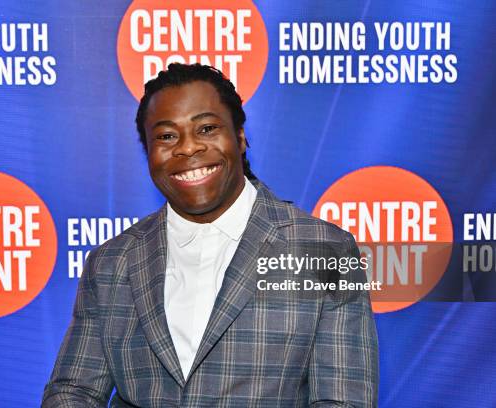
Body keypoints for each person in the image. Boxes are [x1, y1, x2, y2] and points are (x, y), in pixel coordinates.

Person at [42, 63, 378, 407]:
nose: (187, 148)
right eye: (167, 136)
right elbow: (73, 392)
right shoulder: (112, 262)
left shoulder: (324, 252)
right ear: (148, 152)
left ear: (241, 137)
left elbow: (344, 399)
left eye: (206, 128)